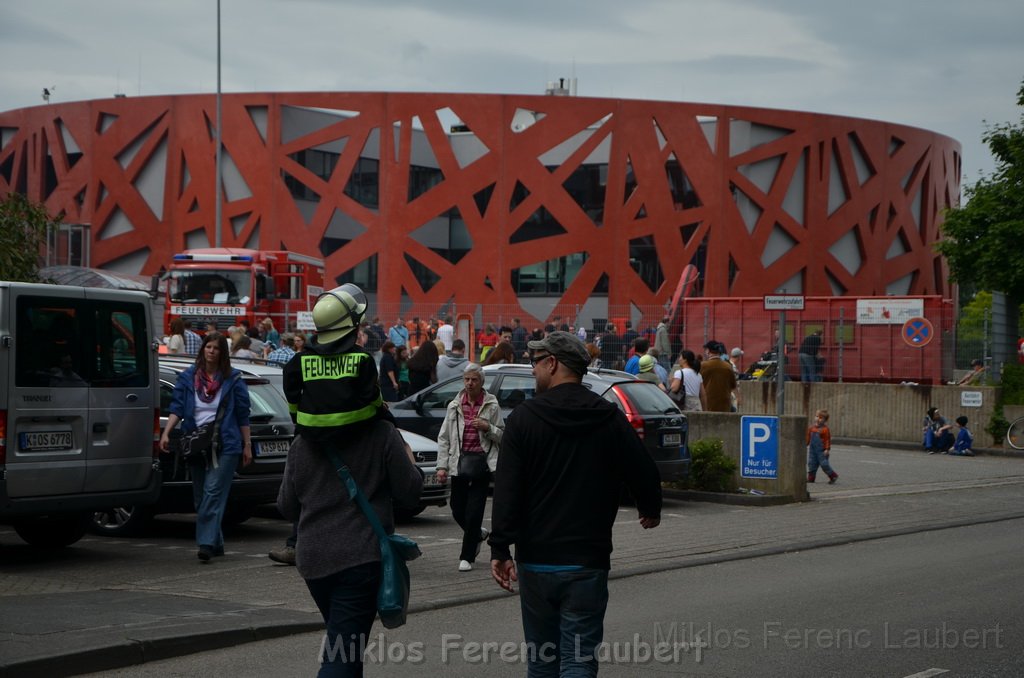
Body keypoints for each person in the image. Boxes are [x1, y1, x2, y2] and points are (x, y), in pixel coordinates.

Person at [489, 331, 662, 676]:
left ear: (552, 364)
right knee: (579, 659)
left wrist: (500, 549)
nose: (533, 370)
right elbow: (643, 468)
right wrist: (649, 508)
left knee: (542, 660)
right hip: (587, 559)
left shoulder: (523, 419)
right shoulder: (608, 417)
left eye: (536, 363)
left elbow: (507, 489)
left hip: (537, 560)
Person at [277, 406, 422, 676]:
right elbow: (410, 492)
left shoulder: (303, 440)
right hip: (359, 558)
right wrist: (409, 459)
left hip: (313, 561)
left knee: (348, 647)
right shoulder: (382, 433)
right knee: (343, 655)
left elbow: (287, 506)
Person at [160, 332, 252, 562]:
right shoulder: (188, 378)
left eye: (216, 348)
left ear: (223, 353)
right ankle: (216, 542)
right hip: (196, 443)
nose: (211, 351)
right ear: (202, 350)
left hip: (227, 444)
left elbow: (243, 415)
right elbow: (177, 407)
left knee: (212, 493)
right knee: (201, 498)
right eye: (208, 347)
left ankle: (206, 545)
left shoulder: (233, 380)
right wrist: (167, 432)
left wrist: (247, 444)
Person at [436, 363, 504, 572]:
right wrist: (442, 466)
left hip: (482, 464)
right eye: (466, 379)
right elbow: (444, 438)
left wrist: (488, 428)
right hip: (460, 463)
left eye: (474, 379)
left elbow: (503, 435)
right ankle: (477, 534)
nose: (469, 383)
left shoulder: (492, 405)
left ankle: (466, 557)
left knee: (474, 512)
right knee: (457, 509)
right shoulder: (454, 405)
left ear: (481, 382)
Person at [699, 341, 737, 412]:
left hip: (708, 403)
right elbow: (733, 385)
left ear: (708, 351)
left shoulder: (703, 366)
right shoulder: (728, 366)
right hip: (725, 404)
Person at [806, 409, 838, 484]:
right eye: (817, 416)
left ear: (825, 420)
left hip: (822, 451)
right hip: (812, 450)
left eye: (820, 418)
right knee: (811, 463)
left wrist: (827, 449)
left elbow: (827, 440)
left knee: (824, 464)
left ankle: (833, 475)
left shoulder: (825, 429)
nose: (818, 419)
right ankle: (811, 478)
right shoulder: (811, 428)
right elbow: (807, 437)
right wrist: (806, 443)